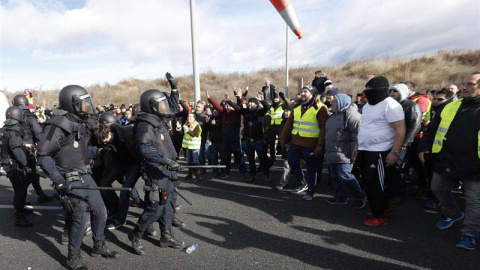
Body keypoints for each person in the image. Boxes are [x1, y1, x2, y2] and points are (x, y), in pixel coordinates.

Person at [37, 85, 119, 270]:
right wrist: (57, 179)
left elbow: (80, 151)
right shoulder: (55, 125)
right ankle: (73, 256)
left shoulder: (81, 124)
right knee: (80, 216)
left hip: (85, 174)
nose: (87, 106)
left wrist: (99, 150)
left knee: (100, 211)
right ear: (72, 103)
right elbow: (42, 154)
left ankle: (98, 245)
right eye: (83, 103)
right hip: (68, 177)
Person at [418, 71, 480, 250]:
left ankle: (469, 234)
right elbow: (432, 129)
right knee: (437, 187)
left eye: (470, 84)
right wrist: (423, 146)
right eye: (463, 83)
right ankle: (452, 213)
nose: (464, 87)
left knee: (474, 201)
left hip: (475, 166)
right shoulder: (451, 106)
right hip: (448, 159)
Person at [129, 73, 185, 256]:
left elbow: (173, 106)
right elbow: (145, 149)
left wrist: (174, 89)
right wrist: (166, 161)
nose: (165, 107)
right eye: (161, 104)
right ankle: (136, 235)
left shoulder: (159, 120)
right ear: (152, 107)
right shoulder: (145, 125)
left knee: (167, 206)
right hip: (157, 173)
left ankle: (166, 236)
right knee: (156, 207)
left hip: (168, 172)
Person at [352, 76, 405, 226]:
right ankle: (384, 207)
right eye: (366, 90)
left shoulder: (390, 105)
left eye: (371, 90)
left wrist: (395, 152)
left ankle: (378, 215)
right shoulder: (367, 106)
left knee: (376, 185)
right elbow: (365, 127)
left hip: (380, 152)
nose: (367, 93)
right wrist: (357, 145)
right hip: (365, 150)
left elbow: (400, 130)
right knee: (368, 182)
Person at [279, 85, 329, 201]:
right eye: (301, 92)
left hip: (311, 144)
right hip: (296, 142)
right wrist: (283, 138)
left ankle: (311, 190)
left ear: (313, 94)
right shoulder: (296, 108)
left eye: (305, 92)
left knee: (311, 168)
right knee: (291, 161)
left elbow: (323, 129)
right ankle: (303, 182)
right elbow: (288, 125)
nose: (302, 94)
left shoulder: (321, 108)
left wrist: (320, 145)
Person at [324, 94, 366, 208]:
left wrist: (354, 152)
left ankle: (360, 196)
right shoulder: (332, 116)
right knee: (335, 177)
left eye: (335, 102)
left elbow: (357, 136)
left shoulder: (352, 116)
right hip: (332, 152)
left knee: (345, 176)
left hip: (345, 153)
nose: (332, 103)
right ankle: (340, 198)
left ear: (342, 102)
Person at [12, 94, 54, 203]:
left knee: (29, 174)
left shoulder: (13, 116)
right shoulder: (30, 117)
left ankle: (38, 194)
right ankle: (19, 201)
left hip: (16, 148)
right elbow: (39, 134)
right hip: (28, 150)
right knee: (28, 176)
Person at [387, 84, 422, 202]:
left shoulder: (411, 105)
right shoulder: (393, 106)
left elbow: (415, 125)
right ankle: (391, 191)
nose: (392, 93)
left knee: (398, 168)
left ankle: (399, 194)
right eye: (391, 91)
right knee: (390, 167)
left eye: (395, 91)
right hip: (391, 141)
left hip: (403, 144)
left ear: (402, 92)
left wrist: (404, 143)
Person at [2, 106, 33, 227]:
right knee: (20, 190)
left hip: (8, 163)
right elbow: (16, 150)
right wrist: (26, 165)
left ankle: (20, 208)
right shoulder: (14, 131)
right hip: (14, 165)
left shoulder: (5, 129)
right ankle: (18, 217)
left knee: (19, 188)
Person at [207, 90, 246, 179]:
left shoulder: (236, 114)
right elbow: (217, 107)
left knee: (238, 156)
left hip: (234, 139)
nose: (227, 106)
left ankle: (243, 171)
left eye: (229, 105)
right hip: (225, 140)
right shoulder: (223, 113)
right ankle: (226, 172)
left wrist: (237, 98)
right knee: (225, 157)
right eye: (226, 105)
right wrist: (210, 98)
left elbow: (239, 107)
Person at [240, 94, 271, 183]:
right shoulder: (246, 112)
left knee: (262, 159)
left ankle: (266, 175)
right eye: (249, 102)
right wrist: (238, 98)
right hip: (248, 140)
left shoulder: (260, 112)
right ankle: (252, 176)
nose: (250, 104)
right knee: (250, 160)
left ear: (256, 104)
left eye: (252, 102)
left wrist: (261, 100)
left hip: (258, 140)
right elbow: (238, 108)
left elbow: (267, 107)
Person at [182, 113, 202, 181]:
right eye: (188, 116)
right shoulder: (186, 124)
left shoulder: (196, 125)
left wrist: (188, 130)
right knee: (189, 161)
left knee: (195, 161)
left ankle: (198, 176)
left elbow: (195, 134)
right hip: (188, 146)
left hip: (194, 146)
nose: (188, 117)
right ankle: (190, 174)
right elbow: (182, 133)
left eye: (190, 116)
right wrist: (179, 128)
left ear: (194, 118)